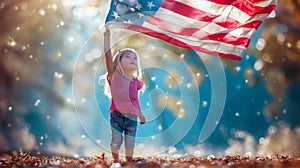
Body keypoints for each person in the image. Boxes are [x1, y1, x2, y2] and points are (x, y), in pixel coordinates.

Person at [103, 27, 146, 162]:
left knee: (130, 140)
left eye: (134, 58)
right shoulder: (115, 75)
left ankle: (129, 161)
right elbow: (108, 55)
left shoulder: (136, 82)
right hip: (116, 115)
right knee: (116, 139)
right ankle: (116, 161)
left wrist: (140, 113)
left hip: (132, 116)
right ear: (118, 61)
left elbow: (135, 100)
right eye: (127, 56)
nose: (132, 59)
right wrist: (106, 39)